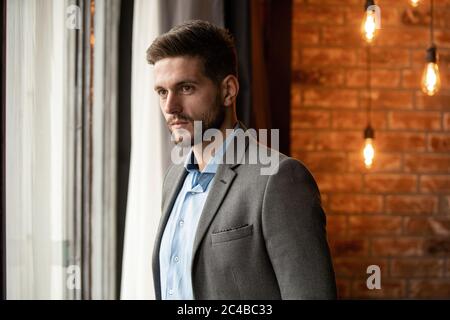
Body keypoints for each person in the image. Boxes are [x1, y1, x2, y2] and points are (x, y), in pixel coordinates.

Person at [147, 20, 337, 300]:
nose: (170, 107)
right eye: (162, 92)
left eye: (186, 88)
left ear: (228, 90)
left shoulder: (279, 178)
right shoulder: (173, 178)